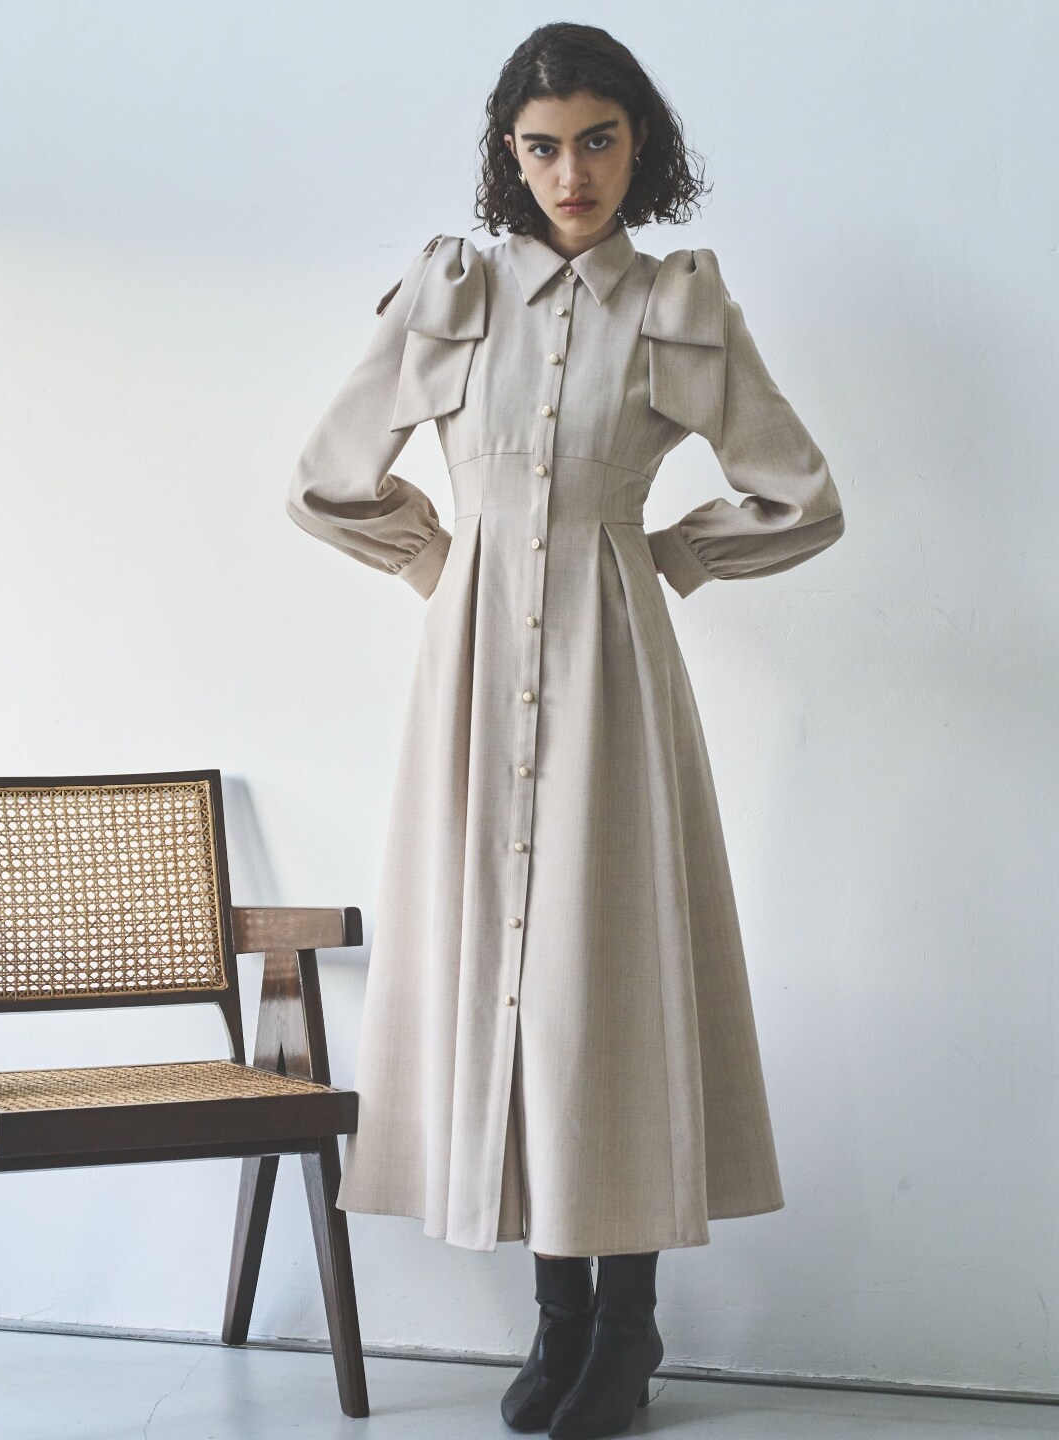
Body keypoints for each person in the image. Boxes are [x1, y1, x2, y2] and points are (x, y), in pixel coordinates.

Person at [285, 21, 845, 1440]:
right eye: (542, 147)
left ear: (639, 144)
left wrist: (668, 559)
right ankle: (558, 1315)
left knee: (609, 977)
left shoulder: (675, 304)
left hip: (612, 673)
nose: (572, 173)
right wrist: (444, 566)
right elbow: (327, 479)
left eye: (598, 140)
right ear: (509, 155)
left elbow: (801, 496)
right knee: (503, 981)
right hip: (472, 680)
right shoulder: (454, 295)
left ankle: (628, 1320)